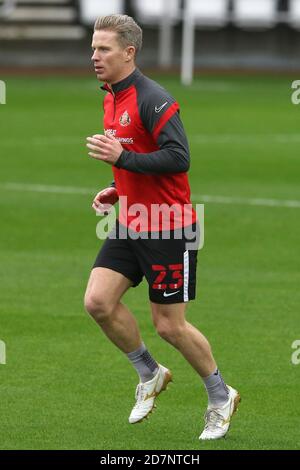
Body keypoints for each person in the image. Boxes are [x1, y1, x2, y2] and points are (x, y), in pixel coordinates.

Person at [84, 14, 240, 440]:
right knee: (98, 302)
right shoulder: (111, 96)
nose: (94, 55)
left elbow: (178, 157)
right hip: (132, 221)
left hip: (169, 226)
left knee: (169, 325)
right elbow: (135, 154)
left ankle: (221, 394)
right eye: (94, 47)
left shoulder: (153, 98)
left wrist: (122, 161)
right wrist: (118, 187)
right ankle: (150, 374)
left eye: (104, 49)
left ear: (129, 52)